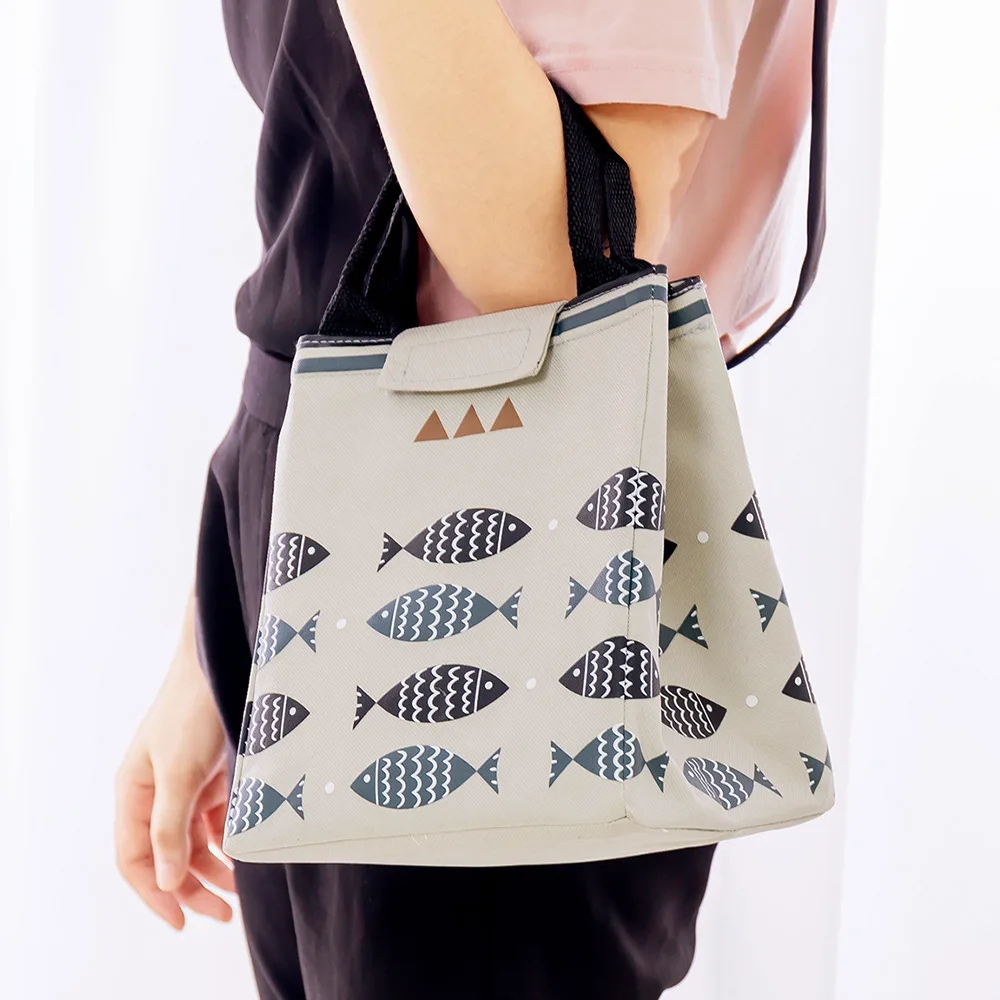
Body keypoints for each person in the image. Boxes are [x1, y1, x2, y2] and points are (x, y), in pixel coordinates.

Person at [114, 2, 827, 997]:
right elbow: (340, 191)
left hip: (520, 561)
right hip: (320, 529)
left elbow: (560, 273)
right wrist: (222, 637)